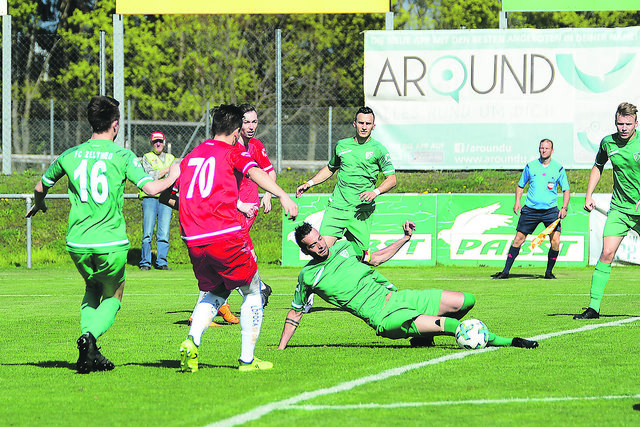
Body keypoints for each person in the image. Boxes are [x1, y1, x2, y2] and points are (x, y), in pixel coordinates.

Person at [25, 95, 179, 374]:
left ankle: (90, 352)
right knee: (113, 296)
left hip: (77, 242)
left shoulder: (69, 155)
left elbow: (40, 186)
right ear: (115, 125)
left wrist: (39, 204)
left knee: (91, 288)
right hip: (110, 242)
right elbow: (153, 189)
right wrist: (174, 174)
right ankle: (90, 337)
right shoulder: (122, 156)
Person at [163, 104, 298, 372]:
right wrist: (282, 195)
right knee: (253, 290)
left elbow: (168, 195)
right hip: (224, 235)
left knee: (217, 290)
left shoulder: (191, 157)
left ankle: (192, 340)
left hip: (193, 239)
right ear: (236, 131)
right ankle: (247, 359)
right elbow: (255, 172)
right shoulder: (231, 151)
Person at [277, 220, 539, 350]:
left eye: (320, 238)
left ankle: (422, 336)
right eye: (313, 244)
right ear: (305, 249)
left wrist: (405, 238)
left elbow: (377, 258)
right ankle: (509, 341)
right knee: (452, 326)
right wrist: (281, 348)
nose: (320, 244)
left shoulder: (344, 247)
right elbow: (295, 313)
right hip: (385, 317)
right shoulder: (308, 276)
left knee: (466, 299)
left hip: (399, 298)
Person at [295, 106, 396, 311]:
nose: (364, 126)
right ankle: (306, 297)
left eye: (368, 123)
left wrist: (375, 192)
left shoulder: (379, 150)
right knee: (321, 251)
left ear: (373, 126)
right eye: (361, 123)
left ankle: (370, 293)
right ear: (354, 124)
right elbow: (330, 169)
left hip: (361, 212)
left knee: (360, 256)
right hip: (338, 208)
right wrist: (310, 183)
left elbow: (392, 179)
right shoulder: (342, 146)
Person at [187, 104, 276, 326]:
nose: (251, 126)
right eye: (246, 122)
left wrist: (268, 195)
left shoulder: (255, 146)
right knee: (240, 261)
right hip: (231, 212)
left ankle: (218, 308)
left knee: (231, 262)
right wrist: (239, 204)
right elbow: (220, 183)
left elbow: (269, 171)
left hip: (248, 211)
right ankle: (256, 291)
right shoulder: (227, 149)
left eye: (255, 121)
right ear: (236, 125)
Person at [574, 102, 640, 320]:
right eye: (620, 123)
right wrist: (589, 194)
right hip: (620, 209)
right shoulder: (608, 143)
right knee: (607, 253)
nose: (623, 128)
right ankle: (593, 308)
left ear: (636, 124)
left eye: (628, 124)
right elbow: (598, 166)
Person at [492, 138, 570, 280]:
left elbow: (566, 190)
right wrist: (517, 202)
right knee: (518, 240)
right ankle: (506, 271)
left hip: (551, 211)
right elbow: (520, 186)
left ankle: (548, 272)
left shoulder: (558, 168)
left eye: (546, 148)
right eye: (541, 148)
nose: (544, 150)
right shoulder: (531, 166)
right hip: (531, 210)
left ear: (552, 151)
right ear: (539, 149)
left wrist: (564, 207)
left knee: (555, 241)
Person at [139, 131, 176, 271]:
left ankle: (161, 262)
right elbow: (149, 175)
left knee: (164, 232)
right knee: (147, 232)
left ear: (164, 142)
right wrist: (167, 171)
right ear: (151, 143)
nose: (158, 144)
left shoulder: (171, 158)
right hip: (150, 197)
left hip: (166, 197)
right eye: (155, 142)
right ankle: (145, 263)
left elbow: (175, 176)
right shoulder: (147, 157)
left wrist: (163, 174)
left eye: (160, 141)